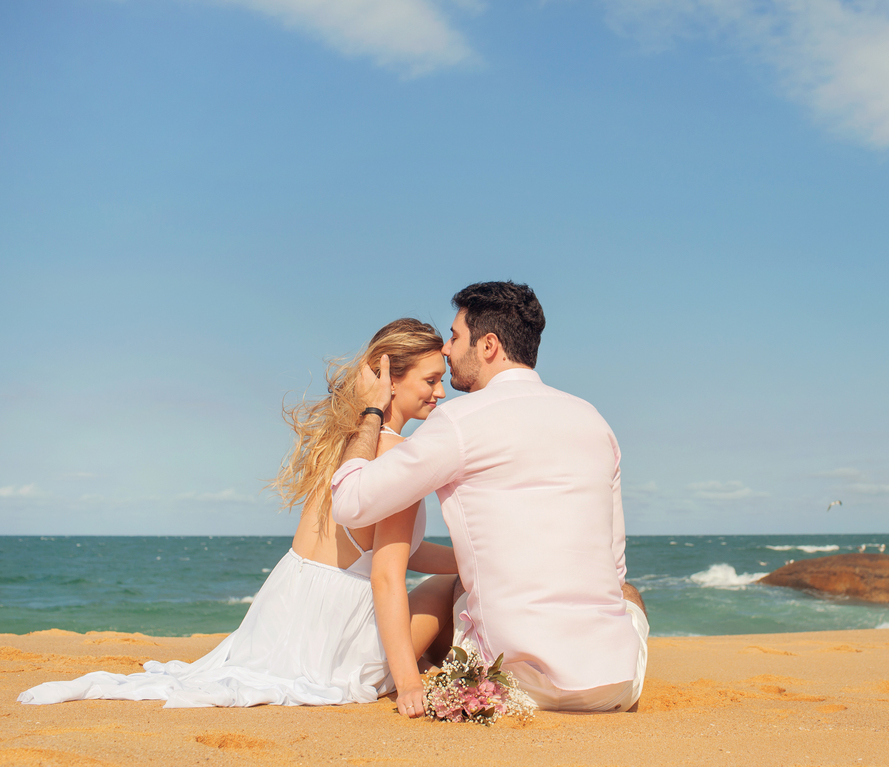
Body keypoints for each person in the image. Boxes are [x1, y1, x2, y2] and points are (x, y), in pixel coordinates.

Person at [18, 319, 458, 711]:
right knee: (445, 588)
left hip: (282, 615)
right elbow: (385, 574)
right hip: (334, 634)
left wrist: (470, 557)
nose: (441, 392)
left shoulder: (344, 441)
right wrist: (407, 684)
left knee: (456, 572)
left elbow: (387, 548)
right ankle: (419, 665)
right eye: (431, 380)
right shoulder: (400, 457)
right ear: (391, 381)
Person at [331, 282, 649, 713]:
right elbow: (614, 565)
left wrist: (371, 412)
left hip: (509, 685)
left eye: (455, 336)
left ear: (488, 345)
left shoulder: (457, 421)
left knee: (457, 588)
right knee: (627, 593)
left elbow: (350, 501)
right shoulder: (595, 421)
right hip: (612, 685)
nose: (446, 348)